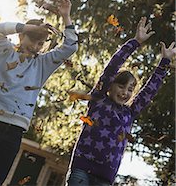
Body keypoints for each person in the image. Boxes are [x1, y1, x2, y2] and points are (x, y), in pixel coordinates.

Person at [0, 0, 78, 185]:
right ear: (21, 36)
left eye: (41, 43)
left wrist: (66, 17)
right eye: (33, 40)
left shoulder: (42, 65)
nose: (36, 46)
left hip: (14, 131)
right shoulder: (4, 52)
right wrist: (29, 27)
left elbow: (71, 46)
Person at [66, 17, 175, 186]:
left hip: (105, 176)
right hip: (82, 168)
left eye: (130, 89)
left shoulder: (129, 113)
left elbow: (149, 91)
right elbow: (112, 67)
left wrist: (164, 63)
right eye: (121, 86)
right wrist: (136, 42)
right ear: (110, 85)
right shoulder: (98, 99)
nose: (125, 92)